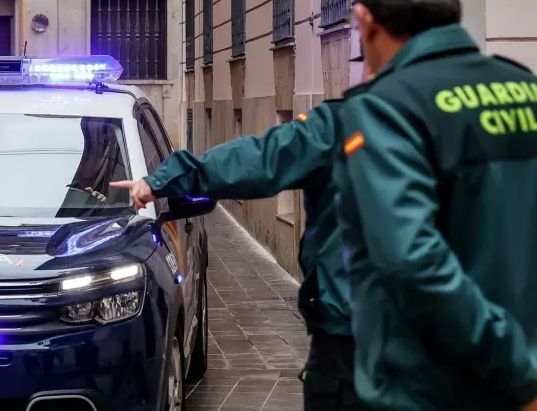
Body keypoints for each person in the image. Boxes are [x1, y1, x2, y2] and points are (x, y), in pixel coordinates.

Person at [334, 0, 537, 410]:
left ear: (366, 22)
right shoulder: (526, 88)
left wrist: (519, 374)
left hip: (432, 391)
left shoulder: (386, 109)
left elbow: (412, 261)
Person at [111, 70, 374, 410]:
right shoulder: (463, 109)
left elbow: (262, 158)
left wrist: (161, 180)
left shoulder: (350, 122)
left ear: (369, 25)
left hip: (357, 341)